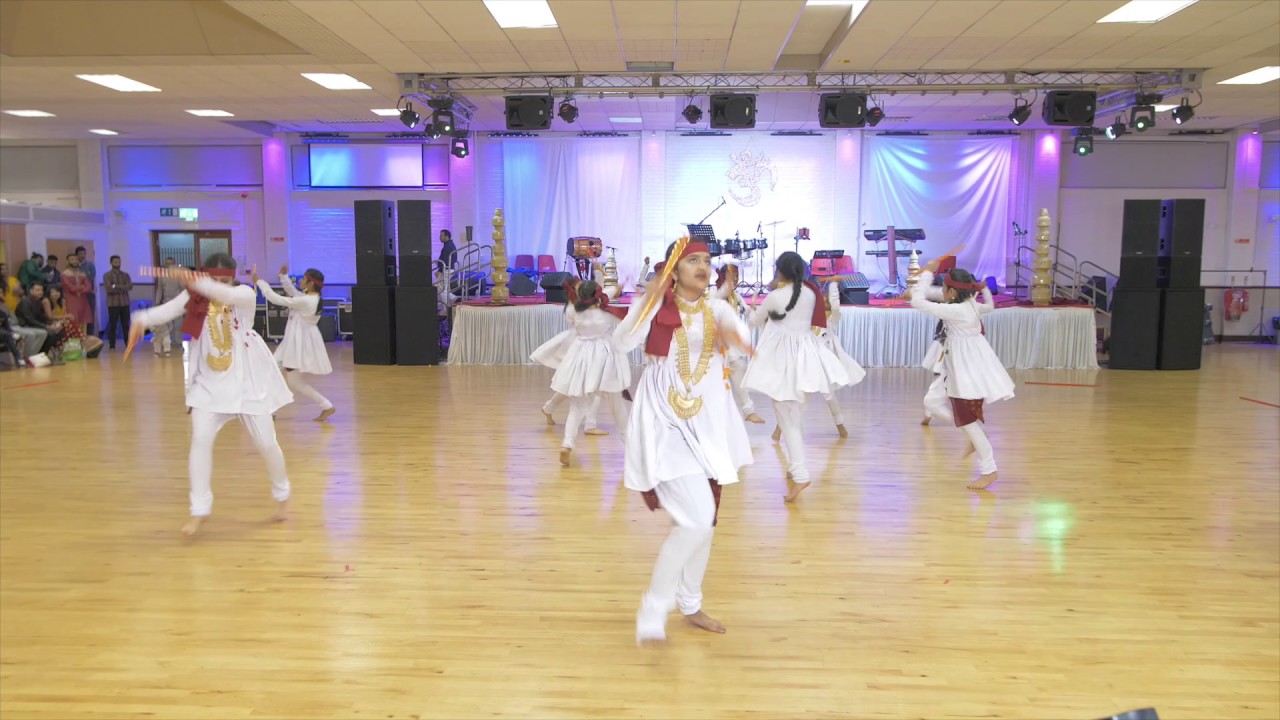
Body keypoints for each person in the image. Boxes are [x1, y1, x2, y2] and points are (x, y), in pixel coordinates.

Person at [614, 239, 754, 645]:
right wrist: (651, 296)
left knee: (704, 520)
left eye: (707, 261)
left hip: (708, 425)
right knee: (695, 518)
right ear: (674, 269)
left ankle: (689, 602)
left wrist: (736, 342)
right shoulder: (657, 306)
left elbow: (740, 347)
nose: (703, 267)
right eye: (693, 260)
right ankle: (654, 607)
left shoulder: (719, 309)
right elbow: (622, 342)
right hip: (663, 422)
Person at [128, 254, 294, 536]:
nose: (219, 284)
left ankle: (282, 495)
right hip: (208, 384)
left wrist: (197, 281)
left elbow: (222, 293)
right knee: (200, 442)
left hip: (247, 383)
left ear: (232, 278)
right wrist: (140, 319)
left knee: (267, 444)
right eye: (213, 279)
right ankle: (198, 511)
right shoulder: (193, 295)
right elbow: (165, 311)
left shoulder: (243, 294)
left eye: (224, 279)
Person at [742, 251, 850, 502]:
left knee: (788, 421)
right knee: (795, 418)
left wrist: (753, 307)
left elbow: (755, 322)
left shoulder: (775, 296)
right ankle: (794, 468)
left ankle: (801, 474)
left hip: (784, 363)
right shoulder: (810, 293)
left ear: (780, 271)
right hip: (807, 359)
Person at [909, 263, 1013, 490]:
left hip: (966, 371)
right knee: (962, 417)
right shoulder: (970, 305)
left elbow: (917, 302)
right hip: (965, 368)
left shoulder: (957, 310)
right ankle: (977, 444)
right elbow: (930, 295)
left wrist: (927, 273)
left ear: (953, 292)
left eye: (945, 288)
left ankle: (989, 469)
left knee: (968, 421)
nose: (942, 291)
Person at [550, 278, 630, 466]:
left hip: (580, 356)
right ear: (596, 296)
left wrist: (612, 290)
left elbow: (603, 295)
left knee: (577, 407)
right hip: (603, 357)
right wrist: (620, 286)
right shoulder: (606, 314)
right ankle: (629, 446)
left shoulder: (573, 311)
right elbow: (613, 299)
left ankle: (567, 443)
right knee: (617, 405)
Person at [254, 265, 336, 422]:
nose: (301, 280)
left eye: (304, 279)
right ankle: (326, 405)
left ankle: (270, 411)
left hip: (297, 345)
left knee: (273, 371)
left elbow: (278, 299)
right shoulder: (309, 298)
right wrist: (283, 277)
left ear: (311, 283)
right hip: (293, 343)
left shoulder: (307, 301)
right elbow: (292, 292)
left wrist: (260, 282)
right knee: (293, 381)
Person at [714, 264, 766, 425]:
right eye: (732, 276)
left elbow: (747, 313)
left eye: (737, 276)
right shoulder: (713, 294)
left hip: (731, 345)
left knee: (739, 372)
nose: (735, 280)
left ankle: (748, 410)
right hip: (715, 345)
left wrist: (754, 312)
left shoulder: (737, 296)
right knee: (715, 381)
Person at [44, 284, 103, 358]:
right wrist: (65, 317)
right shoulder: (46, 301)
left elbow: (64, 314)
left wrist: (65, 318)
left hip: (60, 322)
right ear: (48, 293)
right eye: (53, 292)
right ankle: (81, 338)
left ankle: (78, 340)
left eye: (57, 292)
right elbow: (50, 317)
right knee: (68, 323)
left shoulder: (62, 301)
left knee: (68, 322)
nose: (55, 294)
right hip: (50, 322)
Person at [15, 282, 65, 362]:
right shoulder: (25, 302)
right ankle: (35, 356)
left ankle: (42, 355)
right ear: (31, 291)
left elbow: (41, 318)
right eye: (37, 290)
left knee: (58, 332)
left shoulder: (39, 302)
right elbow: (29, 320)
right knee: (49, 333)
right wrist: (46, 326)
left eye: (41, 290)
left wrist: (51, 324)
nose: (40, 292)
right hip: (25, 325)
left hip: (35, 324)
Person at [153, 257, 185, 356]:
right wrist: (157, 302)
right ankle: (168, 344)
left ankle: (178, 343)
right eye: (167, 263)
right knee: (167, 326)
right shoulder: (162, 275)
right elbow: (159, 290)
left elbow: (183, 288)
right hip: (166, 302)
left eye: (171, 263)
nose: (169, 265)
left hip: (177, 303)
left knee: (178, 324)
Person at [103, 255, 133, 350]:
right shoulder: (107, 275)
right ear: (111, 263)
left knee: (126, 325)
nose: (117, 263)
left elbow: (130, 286)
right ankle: (112, 345)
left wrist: (115, 286)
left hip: (125, 303)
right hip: (113, 304)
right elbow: (109, 288)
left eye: (119, 261)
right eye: (115, 262)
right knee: (113, 325)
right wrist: (121, 287)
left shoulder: (125, 275)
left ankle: (128, 343)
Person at [60, 254, 94, 335]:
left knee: (83, 321)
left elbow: (89, 287)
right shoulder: (65, 274)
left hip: (83, 300)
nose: (74, 261)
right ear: (68, 261)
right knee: (73, 320)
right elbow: (70, 288)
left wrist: (81, 290)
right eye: (72, 259)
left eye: (76, 259)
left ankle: (83, 343)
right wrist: (82, 287)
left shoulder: (82, 274)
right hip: (71, 300)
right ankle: (74, 345)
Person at [75, 247, 97, 334]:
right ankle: (79, 335)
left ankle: (90, 336)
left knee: (90, 316)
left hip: (89, 293)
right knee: (78, 316)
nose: (82, 256)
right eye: (80, 254)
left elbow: (90, 277)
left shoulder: (90, 265)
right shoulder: (73, 266)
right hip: (77, 295)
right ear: (76, 255)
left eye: (83, 253)